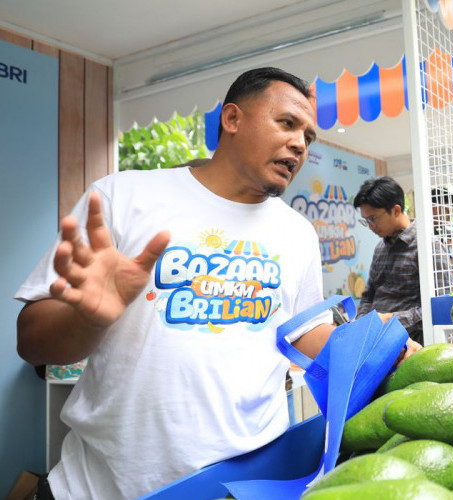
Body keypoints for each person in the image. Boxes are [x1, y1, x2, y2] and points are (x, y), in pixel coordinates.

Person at [14, 68, 418, 500]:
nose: (300, 143)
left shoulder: (297, 232)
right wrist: (89, 320)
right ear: (232, 119)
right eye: (286, 123)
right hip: (103, 488)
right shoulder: (123, 197)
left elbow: (306, 331)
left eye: (308, 136)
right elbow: (31, 343)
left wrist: (395, 352)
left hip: (241, 486)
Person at [354, 177, 453, 344]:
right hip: (375, 341)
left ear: (396, 210)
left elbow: (443, 304)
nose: (370, 226)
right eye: (366, 220)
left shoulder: (429, 247)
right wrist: (362, 323)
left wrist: (392, 320)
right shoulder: (380, 248)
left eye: (373, 218)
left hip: (413, 346)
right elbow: (369, 295)